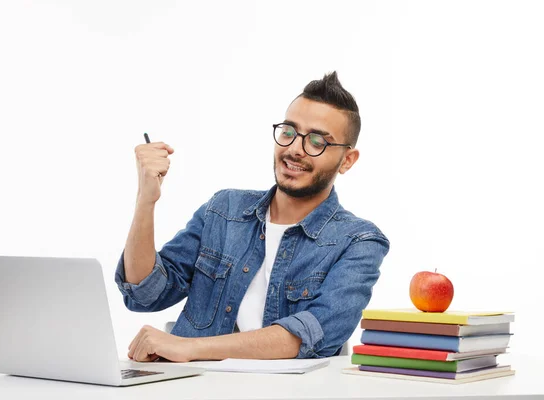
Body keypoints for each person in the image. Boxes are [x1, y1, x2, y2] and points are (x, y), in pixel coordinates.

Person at [115, 71, 390, 362]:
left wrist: (189, 347)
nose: (295, 149)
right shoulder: (224, 210)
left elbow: (310, 335)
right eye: (288, 132)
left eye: (317, 141)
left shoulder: (359, 242)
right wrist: (146, 200)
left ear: (347, 160)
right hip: (192, 389)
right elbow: (144, 293)